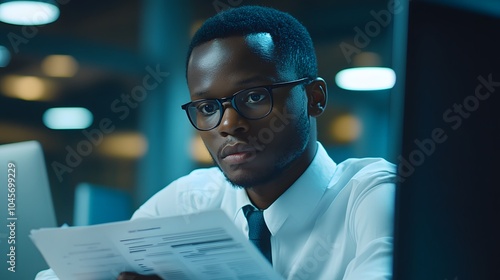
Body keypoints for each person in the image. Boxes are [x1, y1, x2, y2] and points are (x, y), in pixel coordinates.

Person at [36, 5, 396, 280]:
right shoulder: (191, 199)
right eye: (208, 107)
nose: (227, 124)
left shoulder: (372, 196)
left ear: (314, 97)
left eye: (255, 96)